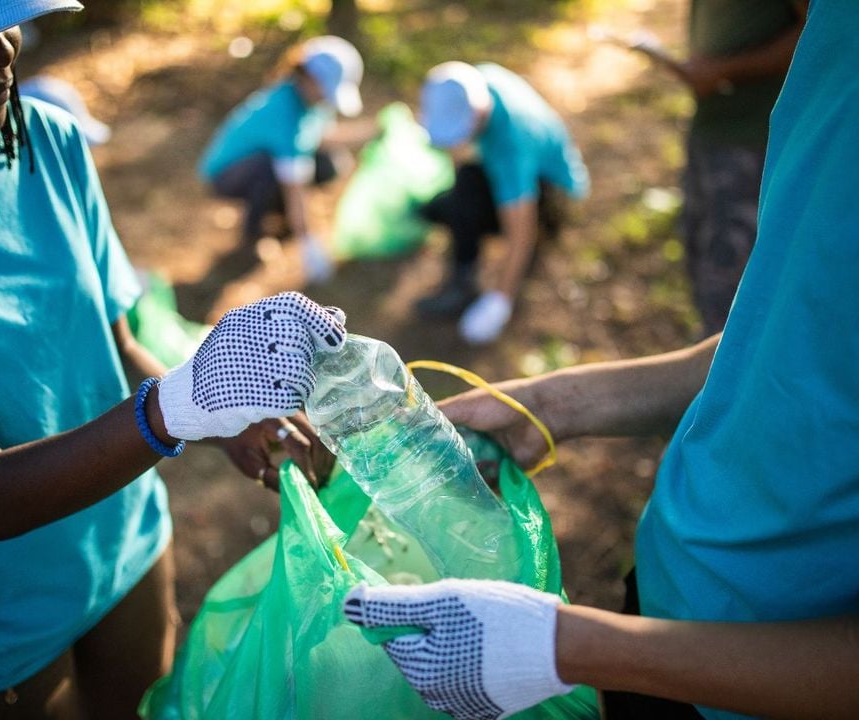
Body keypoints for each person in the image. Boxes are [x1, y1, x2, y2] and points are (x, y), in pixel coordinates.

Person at [343, 1, 859, 718]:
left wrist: (569, 647)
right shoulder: (834, 33)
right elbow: (787, 342)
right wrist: (551, 407)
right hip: (670, 580)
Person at [0, 1, 345, 718]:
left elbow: (115, 340)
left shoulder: (46, 142)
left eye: (3, 15)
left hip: (123, 548)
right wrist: (184, 404)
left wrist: (225, 417)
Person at [652, 0, 807, 335]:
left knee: (736, 291)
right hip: (710, 131)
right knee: (703, 267)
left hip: (754, 139)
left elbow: (817, 35)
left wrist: (725, 70)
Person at [413, 60, 590, 346]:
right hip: (524, 169)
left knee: (465, 195)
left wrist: (499, 301)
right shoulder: (479, 79)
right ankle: (464, 265)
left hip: (552, 194)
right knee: (452, 199)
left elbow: (521, 232)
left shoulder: (511, 146)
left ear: (478, 116)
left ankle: (466, 285)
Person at [198, 35, 364, 285]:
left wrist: (371, 132)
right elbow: (294, 186)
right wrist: (308, 241)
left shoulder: (310, 99)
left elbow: (321, 137)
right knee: (267, 171)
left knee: (328, 164)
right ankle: (252, 238)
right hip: (228, 175)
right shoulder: (283, 112)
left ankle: (282, 221)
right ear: (308, 77)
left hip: (266, 163)